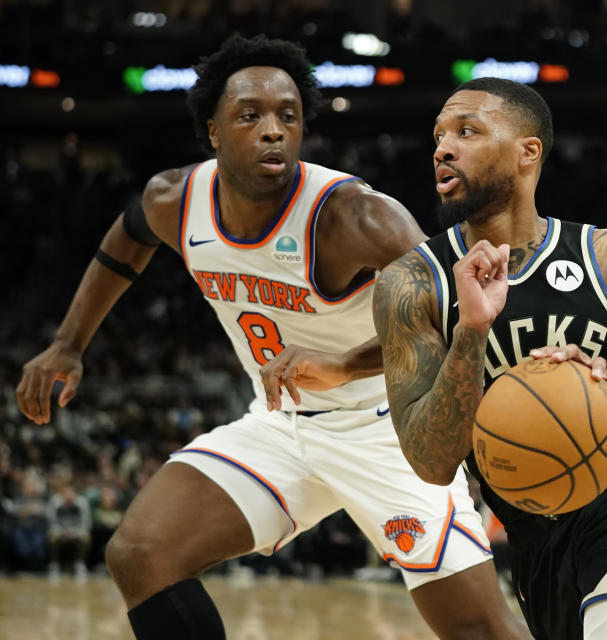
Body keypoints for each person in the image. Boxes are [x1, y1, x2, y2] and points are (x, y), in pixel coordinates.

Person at [16, 34, 529, 640]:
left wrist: (343, 363)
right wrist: (69, 344)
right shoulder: (175, 200)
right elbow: (125, 241)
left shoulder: (355, 216)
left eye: (289, 116)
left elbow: (452, 317)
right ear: (213, 131)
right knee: (140, 553)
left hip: (389, 428)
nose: (272, 130)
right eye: (250, 115)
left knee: (476, 629)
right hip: (281, 424)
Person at [372, 77, 607, 640]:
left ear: (527, 152)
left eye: (467, 131)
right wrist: (471, 331)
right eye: (439, 135)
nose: (443, 147)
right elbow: (432, 462)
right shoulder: (412, 285)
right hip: (535, 541)